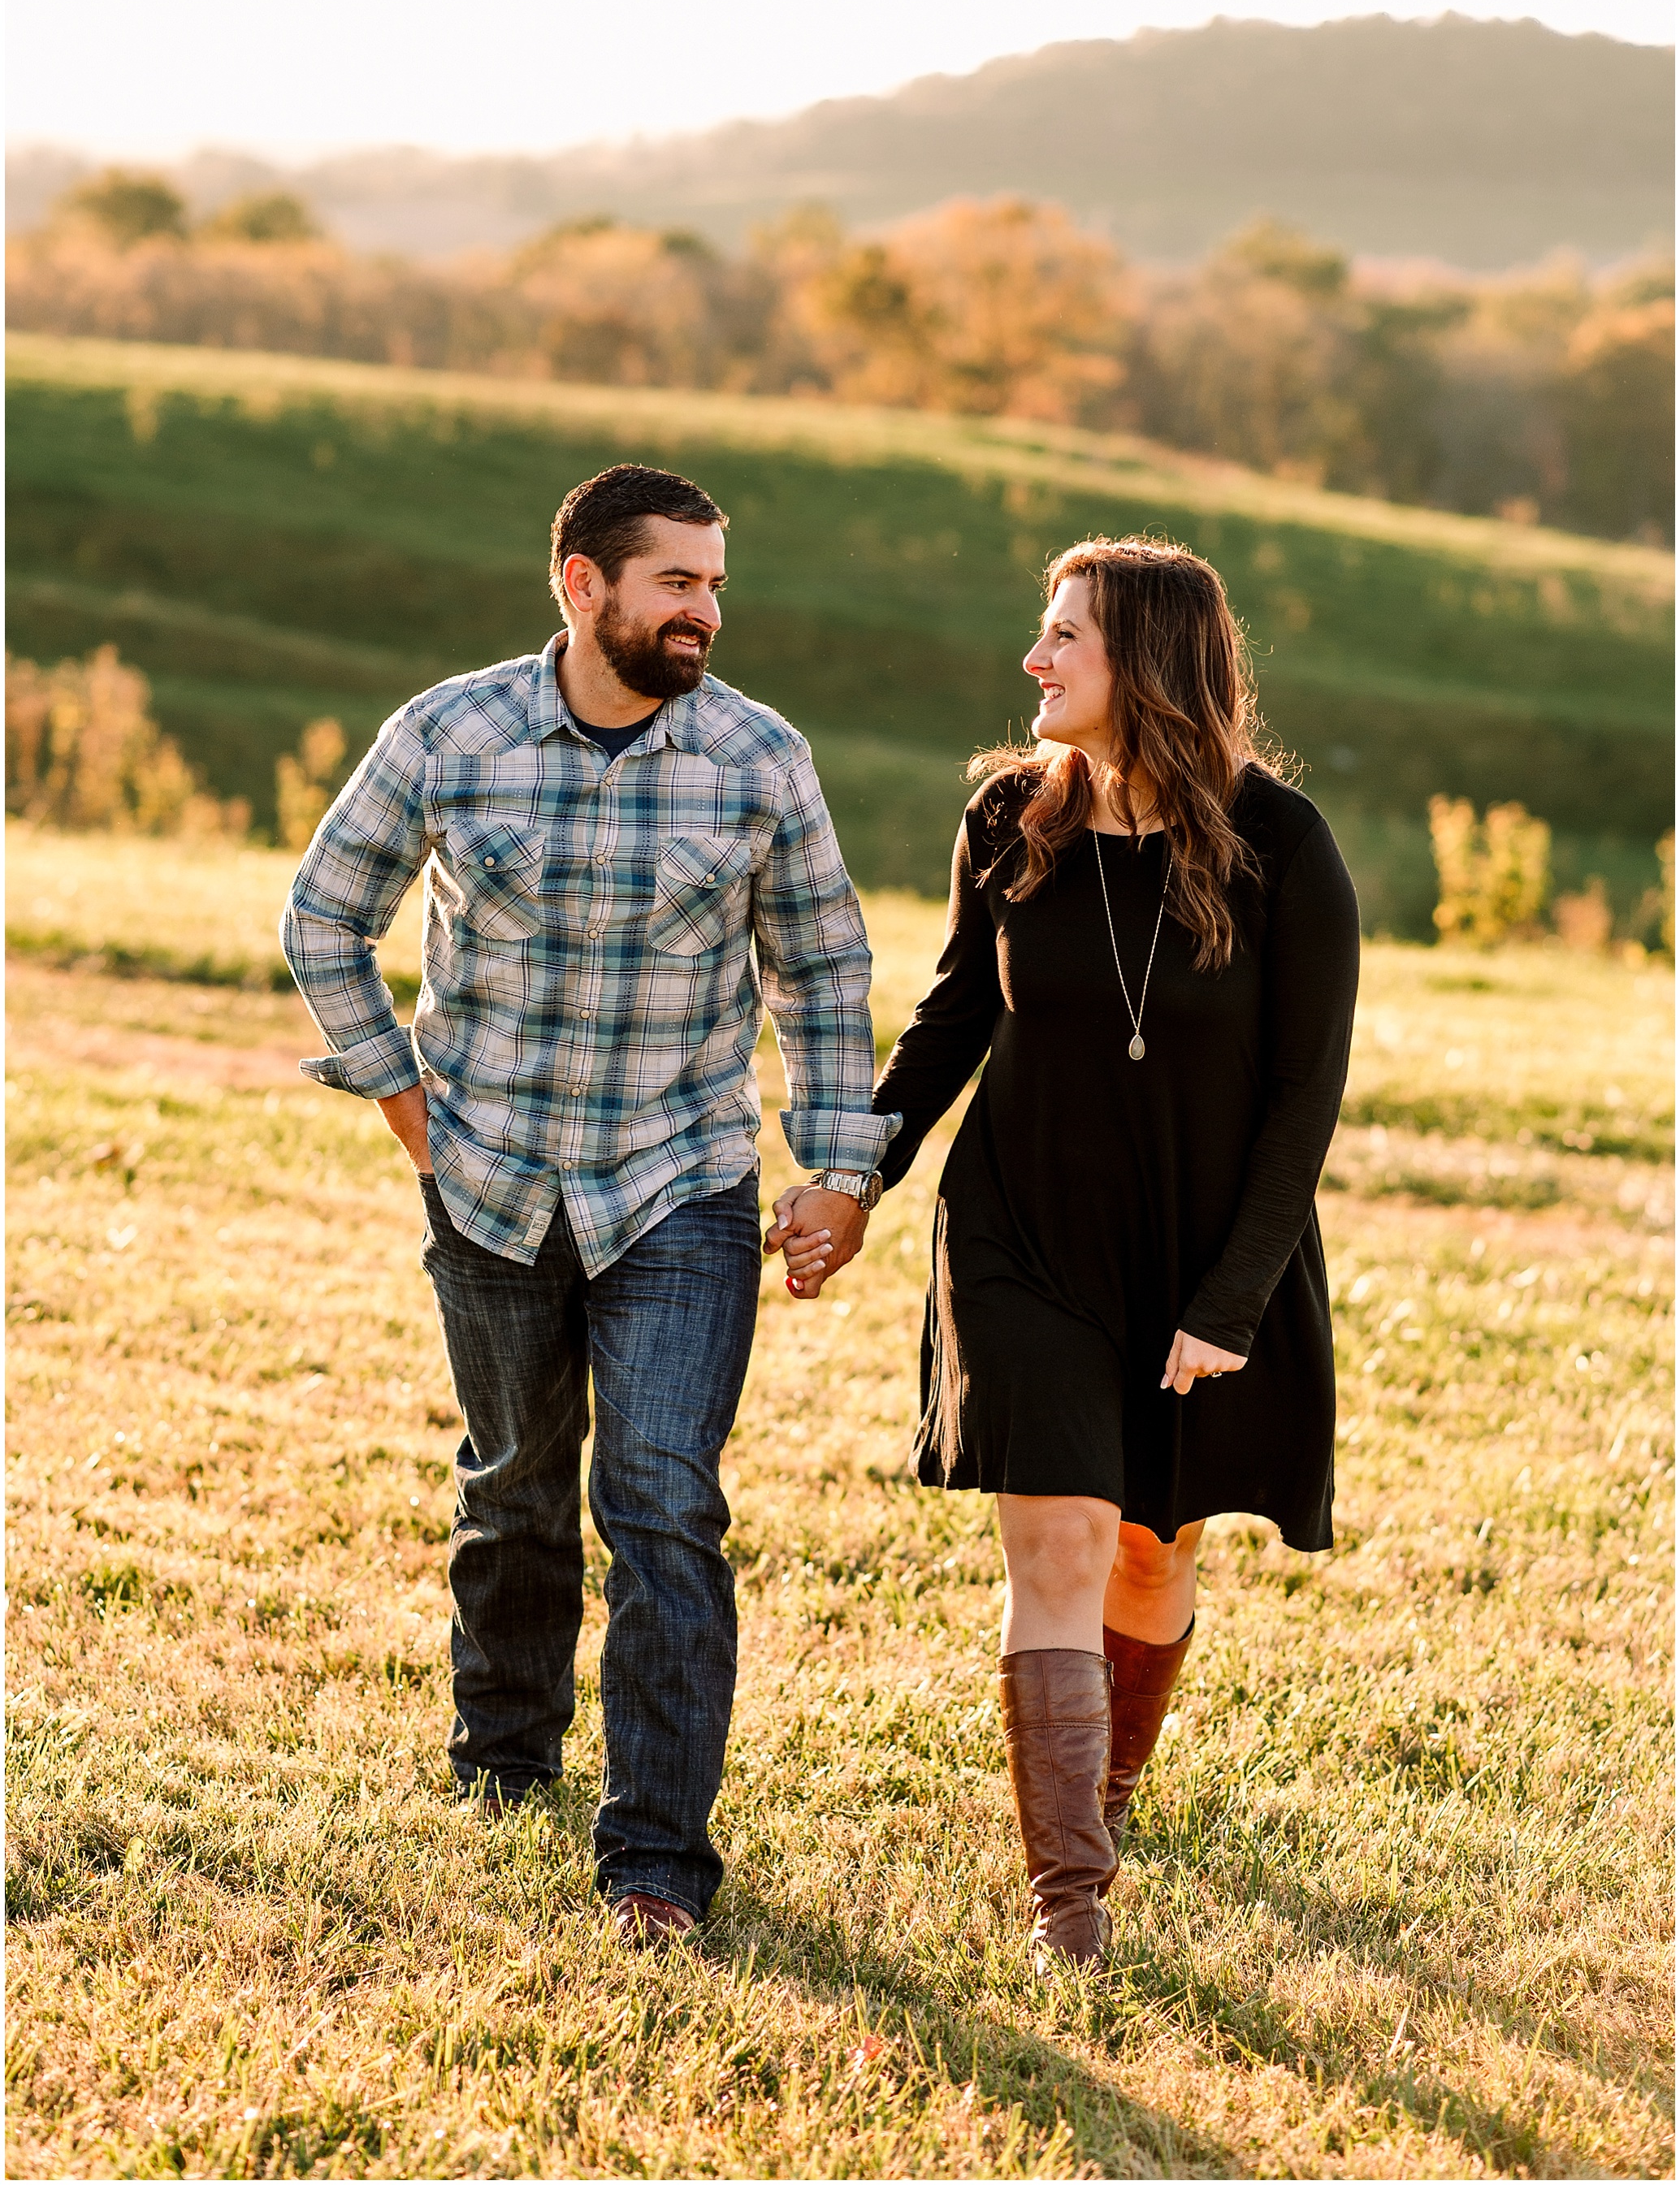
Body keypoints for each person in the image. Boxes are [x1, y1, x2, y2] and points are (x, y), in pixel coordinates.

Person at [282, 461, 894, 1947]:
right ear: (584, 585)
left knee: (665, 1501)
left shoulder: (760, 758)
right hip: (486, 1180)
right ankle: (502, 1759)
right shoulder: (451, 732)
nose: (706, 610)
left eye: (716, 584)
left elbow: (821, 969)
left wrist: (837, 1167)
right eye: (677, 582)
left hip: (679, 1184)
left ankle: (657, 1863)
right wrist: (407, 1106)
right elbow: (323, 915)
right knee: (513, 1486)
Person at [832, 534, 1361, 1973]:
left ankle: (1108, 1786)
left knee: (1148, 1546)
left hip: (1199, 1246)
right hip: (1023, 1227)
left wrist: (1234, 1297)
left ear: (1152, 659)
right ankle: (1070, 1901)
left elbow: (1306, 1092)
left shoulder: (1283, 847)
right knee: (1059, 1532)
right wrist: (856, 1174)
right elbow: (953, 1014)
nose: (1035, 658)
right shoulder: (1011, 816)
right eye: (1041, 629)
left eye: (1065, 634)